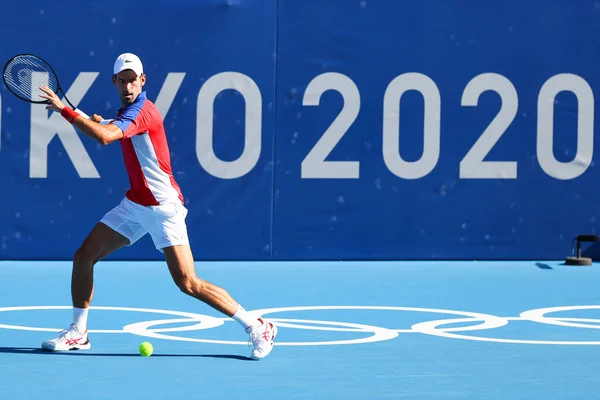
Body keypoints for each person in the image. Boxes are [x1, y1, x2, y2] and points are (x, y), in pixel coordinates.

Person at [38, 53, 277, 360]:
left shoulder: (143, 112)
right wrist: (99, 120)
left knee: (188, 282)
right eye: (121, 80)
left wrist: (66, 111)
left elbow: (106, 137)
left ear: (143, 81)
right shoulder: (128, 112)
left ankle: (258, 326)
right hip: (136, 204)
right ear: (114, 82)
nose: (127, 86)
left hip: (164, 207)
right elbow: (111, 125)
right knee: (84, 256)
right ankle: (78, 333)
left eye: (132, 79)